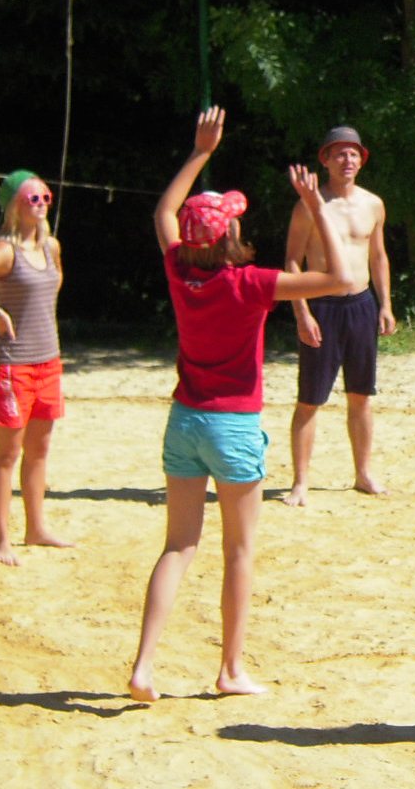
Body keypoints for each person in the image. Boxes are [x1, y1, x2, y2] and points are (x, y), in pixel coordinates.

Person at [128, 106, 355, 702]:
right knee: (238, 551)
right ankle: (230, 670)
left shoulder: (180, 269)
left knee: (178, 546)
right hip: (232, 425)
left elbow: (163, 212)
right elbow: (340, 278)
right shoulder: (249, 283)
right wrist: (315, 206)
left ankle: (144, 666)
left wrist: (201, 151)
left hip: (184, 421)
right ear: (229, 235)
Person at [280, 125, 396, 507]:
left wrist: (385, 304)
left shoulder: (373, 204)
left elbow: (378, 256)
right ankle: (300, 482)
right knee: (310, 399)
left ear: (361, 161)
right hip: (322, 307)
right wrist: (302, 312)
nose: (348, 160)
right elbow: (292, 261)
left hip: (361, 305)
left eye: (354, 154)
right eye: (340, 153)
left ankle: (363, 473)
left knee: (361, 396)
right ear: (326, 160)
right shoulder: (311, 205)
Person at [0, 169, 68, 566]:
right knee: (7, 454)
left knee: (39, 451)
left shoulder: (51, 247)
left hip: (49, 361)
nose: (41, 204)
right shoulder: (3, 251)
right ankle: (2, 539)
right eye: (33, 199)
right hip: (13, 366)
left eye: (45, 197)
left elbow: (51, 292)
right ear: (14, 205)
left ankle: (36, 528)